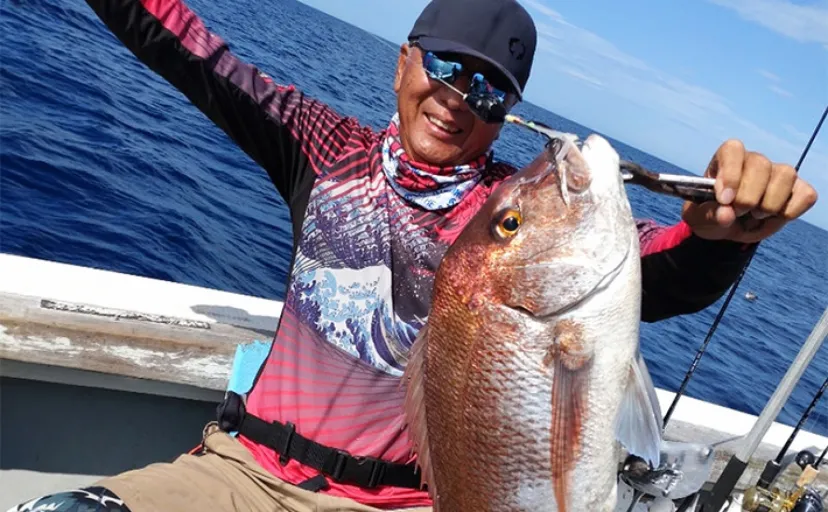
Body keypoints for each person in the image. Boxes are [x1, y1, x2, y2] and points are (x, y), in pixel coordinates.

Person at [11, 0, 818, 510]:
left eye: (490, 89)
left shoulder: (508, 213)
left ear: (507, 112)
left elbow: (659, 271)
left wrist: (722, 234)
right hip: (238, 474)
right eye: (446, 67)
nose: (459, 98)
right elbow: (198, 57)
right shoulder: (325, 149)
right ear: (404, 60)